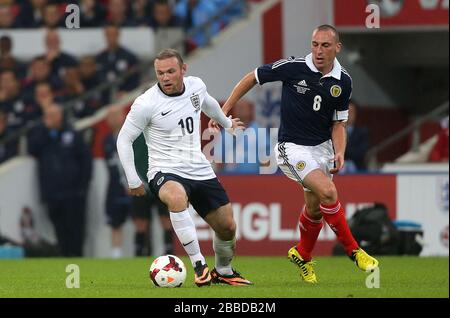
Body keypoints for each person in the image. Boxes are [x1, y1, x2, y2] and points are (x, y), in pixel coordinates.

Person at [211, 25, 379, 284]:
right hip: (292, 147)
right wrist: (223, 112)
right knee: (329, 193)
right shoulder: (294, 67)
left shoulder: (343, 81)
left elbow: (338, 124)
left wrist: (340, 151)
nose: (318, 51)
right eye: (315, 44)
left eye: (325, 45)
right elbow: (252, 77)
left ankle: (302, 254)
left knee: (315, 210)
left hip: (322, 149)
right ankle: (354, 251)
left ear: (337, 48)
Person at [117, 49, 252, 286]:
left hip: (199, 167)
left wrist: (227, 123)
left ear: (183, 69)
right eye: (160, 73)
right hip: (163, 170)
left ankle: (223, 270)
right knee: (177, 198)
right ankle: (199, 265)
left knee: (227, 227)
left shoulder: (195, 86)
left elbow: (208, 103)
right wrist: (133, 179)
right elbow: (123, 139)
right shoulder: (146, 103)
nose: (165, 78)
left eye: (170, 71)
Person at [28, 104, 92, 256]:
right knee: (59, 228)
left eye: (52, 115)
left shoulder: (72, 134)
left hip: (74, 193)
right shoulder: (42, 135)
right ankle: (63, 257)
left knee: (75, 229)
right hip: (52, 193)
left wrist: (83, 187)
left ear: (60, 116)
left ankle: (76, 259)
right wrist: (45, 130)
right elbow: (32, 149)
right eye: (46, 116)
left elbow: (85, 161)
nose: (48, 119)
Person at [343, 100, 370, 173]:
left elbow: (361, 152)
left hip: (357, 169)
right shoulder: (333, 131)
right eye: (347, 112)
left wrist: (343, 150)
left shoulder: (362, 132)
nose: (349, 115)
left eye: (352, 112)